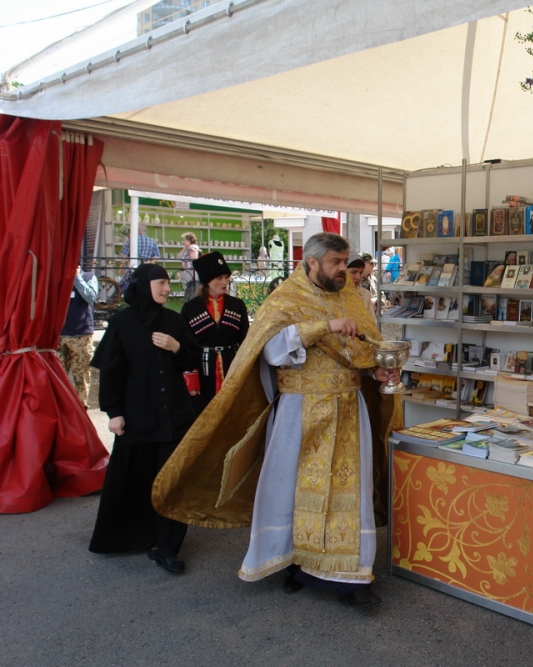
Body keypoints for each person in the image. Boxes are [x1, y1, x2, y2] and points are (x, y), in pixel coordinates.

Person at [152, 233, 400, 606]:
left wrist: (376, 371)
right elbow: (269, 350)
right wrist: (321, 327)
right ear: (312, 262)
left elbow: (364, 347)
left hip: (349, 410)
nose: (342, 270)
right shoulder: (286, 297)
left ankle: (350, 577)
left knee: (353, 493)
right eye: (335, 262)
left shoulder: (350, 295)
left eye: (344, 261)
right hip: (300, 411)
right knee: (290, 490)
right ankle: (295, 563)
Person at [89, 263, 200, 574]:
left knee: (173, 482)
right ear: (145, 285)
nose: (167, 289)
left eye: (168, 283)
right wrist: (115, 412)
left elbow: (192, 358)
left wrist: (176, 346)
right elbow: (112, 370)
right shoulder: (122, 323)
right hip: (137, 417)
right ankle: (136, 536)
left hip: (174, 416)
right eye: (161, 283)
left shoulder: (172, 320)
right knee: (134, 480)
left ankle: (167, 547)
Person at [181, 252, 250, 415]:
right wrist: (191, 379)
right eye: (219, 278)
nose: (225, 282)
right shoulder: (191, 308)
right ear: (207, 281)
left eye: (226, 277)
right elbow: (186, 346)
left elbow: (246, 341)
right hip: (204, 370)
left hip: (231, 366)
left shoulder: (237, 305)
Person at [58, 265, 99, 406]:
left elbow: (91, 297)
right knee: (58, 376)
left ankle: (82, 411)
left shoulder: (88, 277)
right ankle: (61, 409)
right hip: (59, 335)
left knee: (81, 377)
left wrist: (77, 279)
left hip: (81, 335)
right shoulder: (58, 278)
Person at [347, 255, 377, 320]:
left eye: (360, 272)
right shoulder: (333, 295)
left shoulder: (365, 294)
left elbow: (373, 322)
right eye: (353, 272)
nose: (358, 277)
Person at [177, 232, 201, 298]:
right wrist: (184, 248)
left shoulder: (193, 247)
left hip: (191, 273)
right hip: (187, 273)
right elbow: (179, 257)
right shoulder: (187, 248)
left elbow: (194, 260)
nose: (183, 242)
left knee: (191, 293)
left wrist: (192, 274)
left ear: (188, 240)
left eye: (184, 240)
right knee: (188, 292)